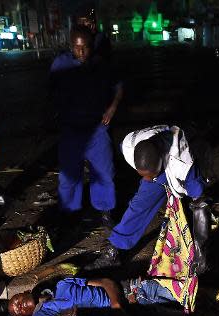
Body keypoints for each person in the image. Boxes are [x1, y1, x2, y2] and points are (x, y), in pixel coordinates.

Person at [86, 125, 210, 273]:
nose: (146, 179)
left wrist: (201, 248)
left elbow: (199, 204)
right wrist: (149, 177)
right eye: (143, 175)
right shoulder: (129, 145)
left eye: (150, 175)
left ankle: (196, 253)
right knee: (139, 205)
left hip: (192, 153)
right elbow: (144, 173)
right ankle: (114, 252)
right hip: (157, 166)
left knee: (191, 209)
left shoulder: (183, 164)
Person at [49, 25, 122, 224]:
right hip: (71, 128)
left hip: (97, 129)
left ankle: (105, 209)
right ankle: (70, 211)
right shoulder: (61, 64)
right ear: (71, 46)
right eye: (77, 47)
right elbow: (51, 91)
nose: (81, 52)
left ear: (91, 46)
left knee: (104, 172)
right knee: (69, 174)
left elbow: (118, 87)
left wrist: (112, 109)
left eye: (85, 47)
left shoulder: (101, 65)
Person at [8, 276, 178, 316]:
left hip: (137, 291)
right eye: (18, 311)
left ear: (25, 292)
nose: (19, 306)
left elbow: (107, 282)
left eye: (16, 300)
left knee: (192, 294)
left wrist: (117, 306)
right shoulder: (42, 314)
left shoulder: (63, 284)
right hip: (135, 314)